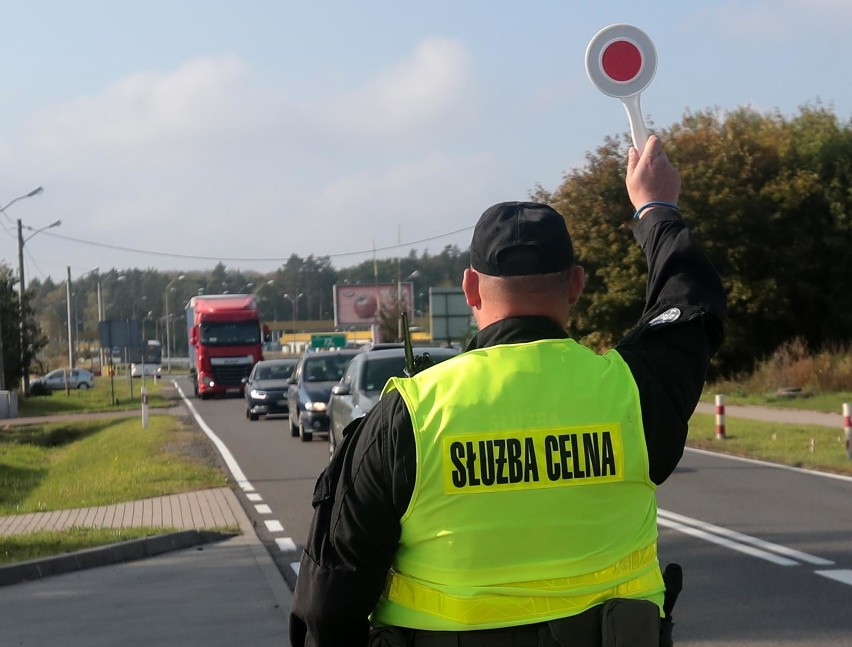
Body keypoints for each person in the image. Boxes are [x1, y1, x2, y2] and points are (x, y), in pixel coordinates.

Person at [289, 135, 726, 647]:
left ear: (470, 288)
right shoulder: (632, 391)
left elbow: (328, 604)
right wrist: (656, 208)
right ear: (576, 285)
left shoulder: (410, 414)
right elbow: (689, 306)